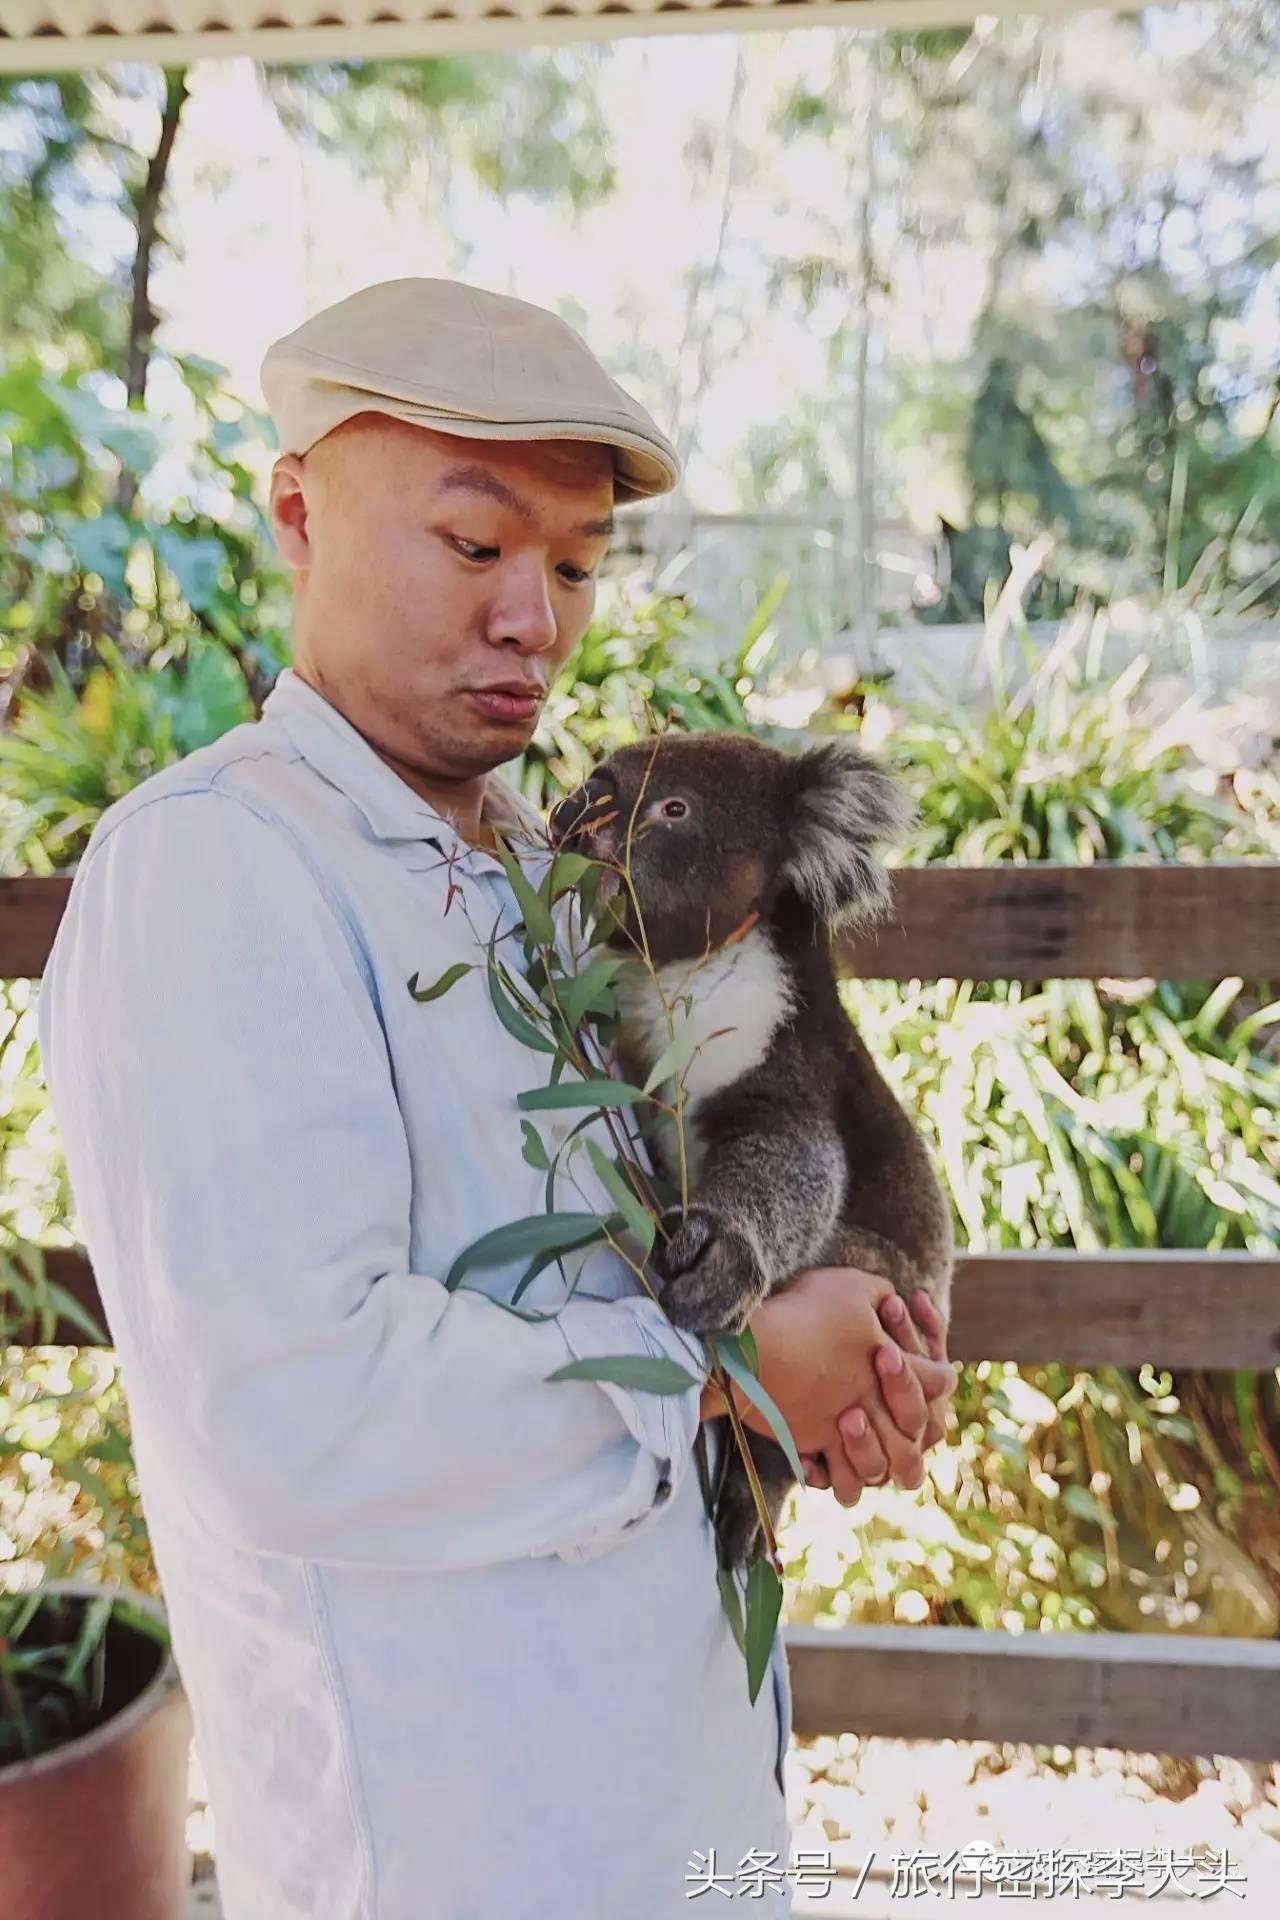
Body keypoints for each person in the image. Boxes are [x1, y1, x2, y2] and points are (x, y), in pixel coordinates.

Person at [37, 278, 958, 1920]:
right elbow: (299, 1409)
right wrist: (726, 1374)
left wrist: (833, 1336)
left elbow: (648, 1258)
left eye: (577, 565)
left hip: (672, 1807)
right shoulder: (219, 874)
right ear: (299, 511)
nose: (536, 616)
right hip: (463, 1851)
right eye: (476, 546)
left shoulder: (557, 878)